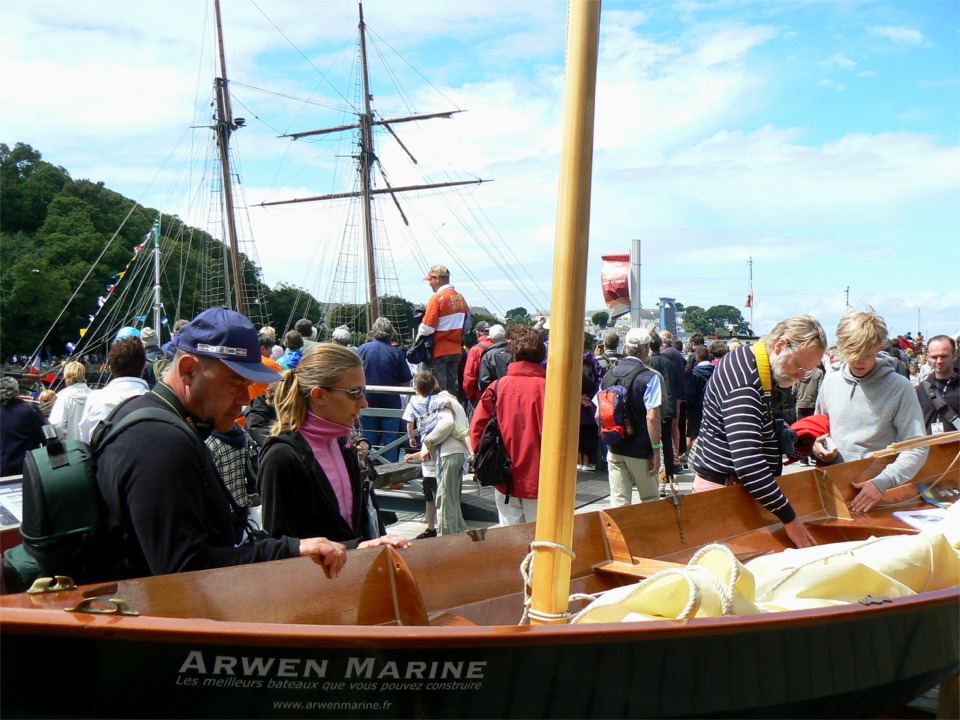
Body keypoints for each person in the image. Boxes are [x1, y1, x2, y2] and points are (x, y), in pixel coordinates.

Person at [95, 306, 347, 579]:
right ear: (188, 369)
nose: (245, 398)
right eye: (234, 382)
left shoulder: (142, 416)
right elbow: (183, 570)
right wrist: (290, 549)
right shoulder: (162, 443)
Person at [258, 342, 409, 551]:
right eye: (354, 393)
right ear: (319, 395)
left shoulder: (343, 445)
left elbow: (359, 526)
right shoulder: (282, 457)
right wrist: (356, 547)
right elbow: (279, 548)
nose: (364, 402)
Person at [694, 314, 828, 549]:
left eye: (807, 371)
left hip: (734, 489)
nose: (800, 377)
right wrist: (790, 519)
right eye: (799, 367)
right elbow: (749, 466)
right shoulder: (745, 386)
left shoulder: (748, 357)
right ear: (780, 346)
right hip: (726, 494)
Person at [813, 310, 928, 513]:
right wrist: (817, 447)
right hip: (832, 490)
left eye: (865, 355)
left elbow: (917, 447)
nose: (858, 361)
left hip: (881, 495)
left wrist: (882, 482)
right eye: (851, 354)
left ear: (879, 347)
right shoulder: (831, 381)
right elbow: (819, 428)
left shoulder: (900, 386)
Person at [470, 325, 546, 526]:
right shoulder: (550, 389)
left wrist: (484, 458)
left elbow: (477, 429)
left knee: (511, 541)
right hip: (542, 479)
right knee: (542, 543)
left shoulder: (497, 387)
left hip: (504, 476)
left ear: (514, 356)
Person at [598, 328, 662, 506]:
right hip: (640, 448)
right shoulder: (649, 377)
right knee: (650, 500)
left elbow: (599, 414)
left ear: (625, 347)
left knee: (619, 501)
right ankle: (648, 534)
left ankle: (619, 534)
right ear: (646, 349)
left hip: (615, 445)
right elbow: (652, 417)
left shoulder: (608, 376)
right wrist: (656, 449)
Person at [405, 371, 470, 537]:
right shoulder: (453, 401)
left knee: (444, 498)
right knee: (453, 498)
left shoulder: (438, 401)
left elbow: (447, 423)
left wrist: (429, 441)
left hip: (448, 453)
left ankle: (446, 537)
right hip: (459, 454)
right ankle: (460, 532)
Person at [355, 317, 413, 462]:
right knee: (391, 440)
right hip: (391, 402)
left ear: (374, 331)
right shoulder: (396, 353)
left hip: (366, 400)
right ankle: (392, 477)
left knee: (368, 438)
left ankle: (368, 471)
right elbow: (406, 381)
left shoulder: (362, 349)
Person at [78, 338, 150, 443]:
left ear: (111, 368)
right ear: (144, 368)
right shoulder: (154, 402)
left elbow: (85, 439)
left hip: (104, 458)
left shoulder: (95, 399)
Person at [418, 264, 469, 395]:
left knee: (437, 390)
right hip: (456, 350)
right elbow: (467, 325)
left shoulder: (437, 299)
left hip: (439, 351)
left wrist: (418, 336)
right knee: (452, 389)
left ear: (438, 279)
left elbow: (427, 328)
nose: (429, 283)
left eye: (430, 280)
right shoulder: (460, 298)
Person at [646, 332, 679, 494]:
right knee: (667, 443)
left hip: (654, 408)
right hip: (670, 407)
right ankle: (669, 477)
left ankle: (654, 477)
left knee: (652, 442)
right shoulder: (669, 362)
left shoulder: (648, 363)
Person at [0, 376, 44, 477]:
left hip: (2, 470)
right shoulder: (31, 409)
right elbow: (45, 436)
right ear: (17, 392)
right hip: (28, 469)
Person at [915, 335, 959, 434]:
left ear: (954, 355)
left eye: (943, 356)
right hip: (930, 448)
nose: (939, 361)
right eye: (935, 357)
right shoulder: (922, 388)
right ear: (928, 357)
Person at [48, 360, 91, 441]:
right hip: (90, 448)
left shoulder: (63, 397)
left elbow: (57, 425)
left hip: (70, 448)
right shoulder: (94, 396)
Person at [578, 336, 603, 472]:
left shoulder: (568, 357)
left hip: (574, 402)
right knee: (589, 433)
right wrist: (590, 397)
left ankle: (577, 460)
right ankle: (587, 462)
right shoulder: (591, 358)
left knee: (576, 433)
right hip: (590, 401)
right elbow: (600, 379)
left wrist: (576, 397)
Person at [462, 321, 492, 407]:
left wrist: (470, 396)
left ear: (478, 333)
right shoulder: (502, 348)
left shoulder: (476, 350)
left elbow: (469, 377)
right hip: (498, 396)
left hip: (480, 397)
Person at [477, 324, 512, 395]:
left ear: (490, 339)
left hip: (495, 396)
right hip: (513, 393)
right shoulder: (515, 352)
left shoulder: (487, 355)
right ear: (506, 336)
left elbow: (484, 381)